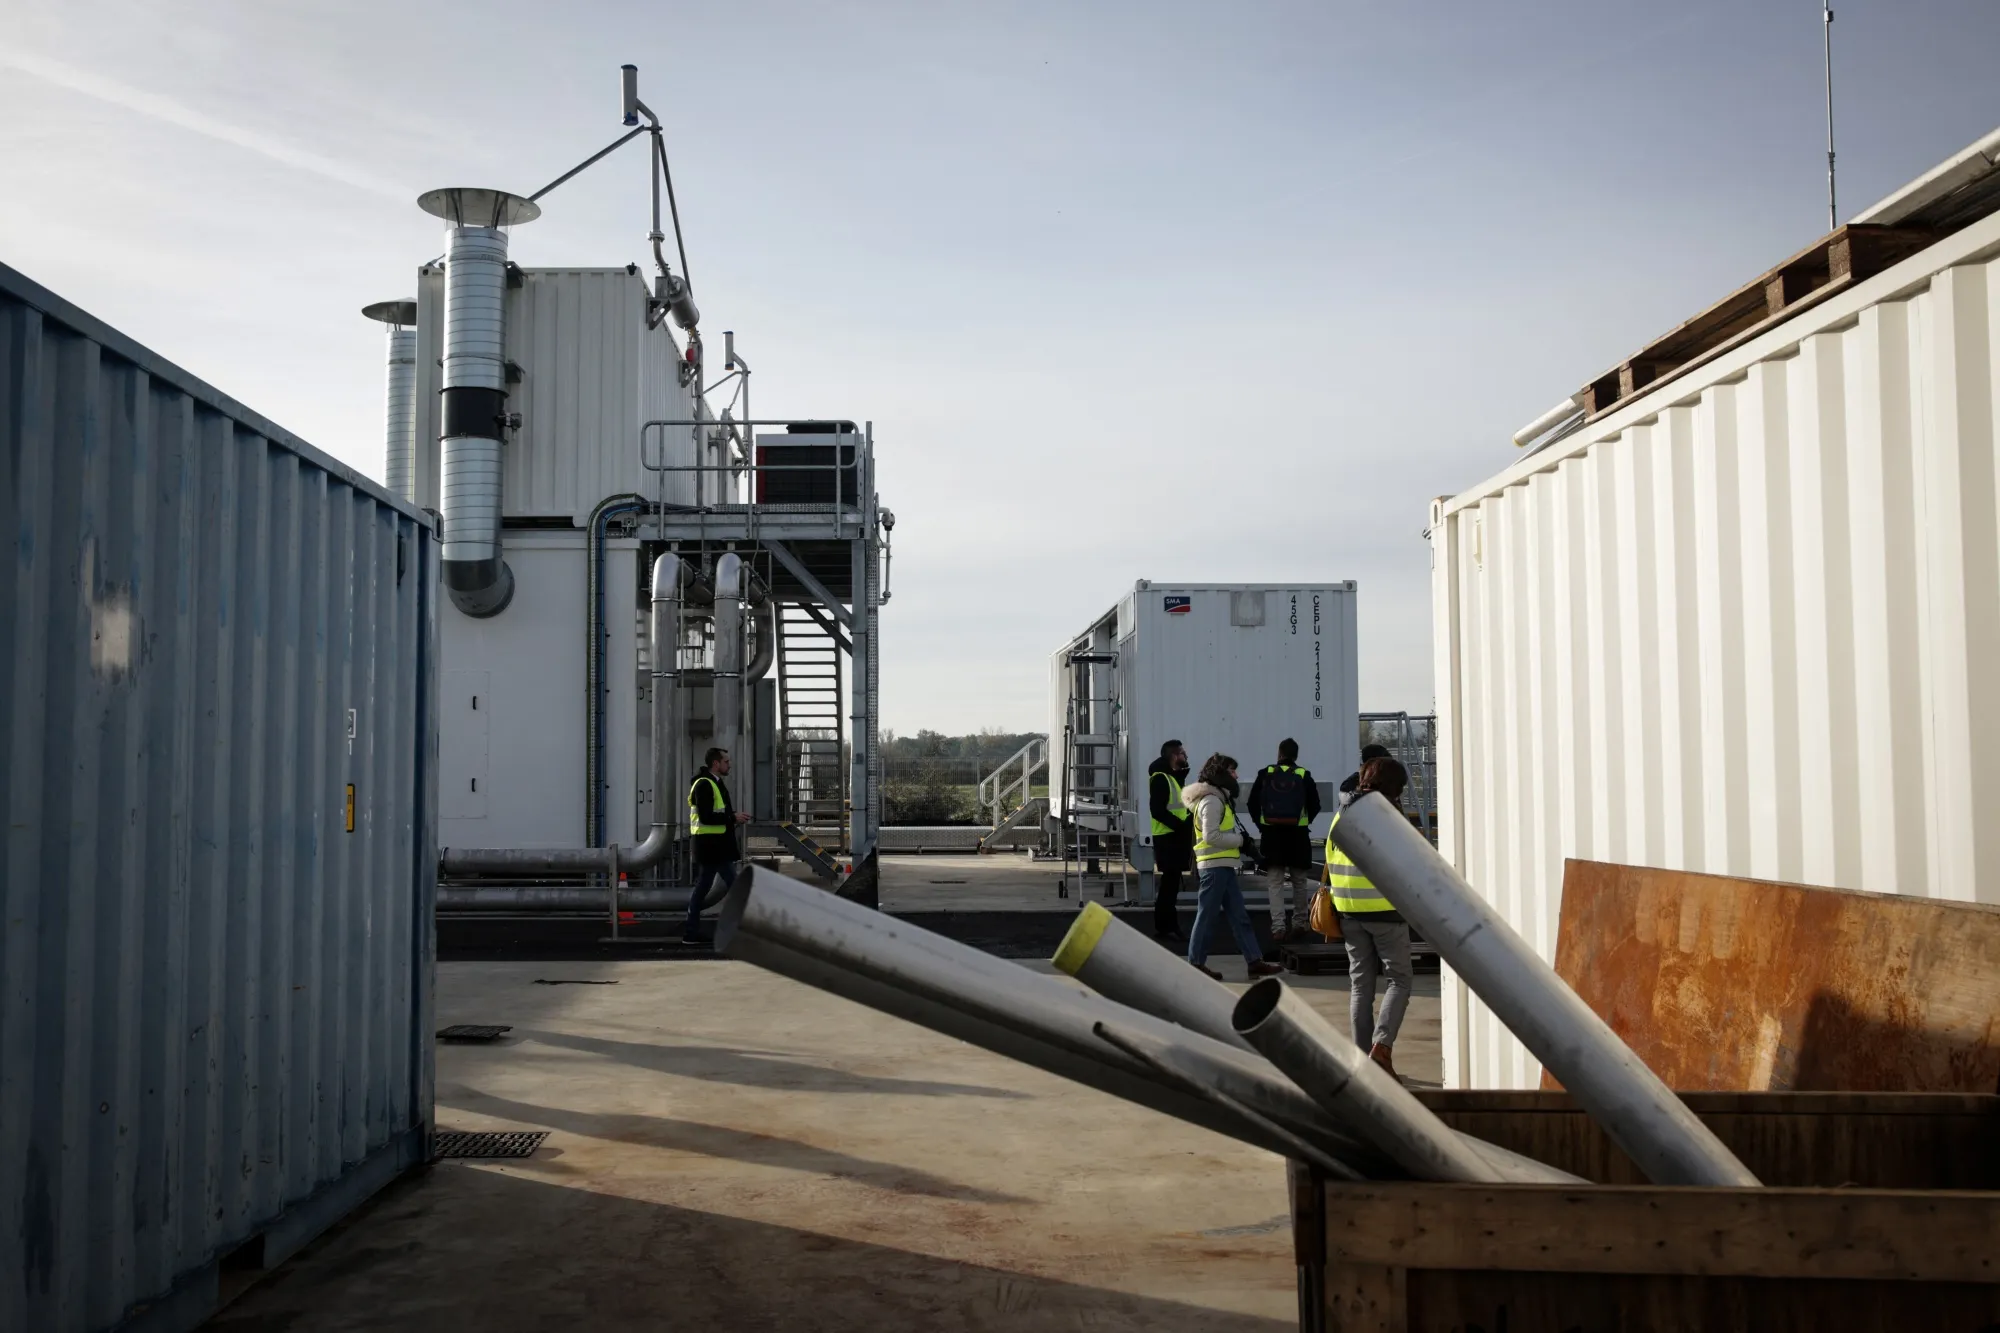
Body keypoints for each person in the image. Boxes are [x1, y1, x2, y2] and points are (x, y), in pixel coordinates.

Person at [1325, 755, 1413, 1075]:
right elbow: (1407, 861)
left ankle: (1363, 1061)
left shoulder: (1341, 813)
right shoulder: (1384, 815)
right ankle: (1382, 1047)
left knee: (1361, 986)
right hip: (1385, 909)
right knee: (1400, 979)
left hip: (1348, 911)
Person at [1182, 753, 1285, 981]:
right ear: (1220, 774)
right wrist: (1240, 841)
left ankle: (1254, 961)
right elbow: (1211, 836)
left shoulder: (1217, 798)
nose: (1236, 775)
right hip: (1214, 868)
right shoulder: (1211, 800)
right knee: (1207, 917)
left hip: (1223, 867)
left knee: (1240, 917)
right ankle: (1196, 963)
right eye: (1232, 771)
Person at [1247, 738, 1322, 940]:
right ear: (1296, 755)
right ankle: (1299, 923)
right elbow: (1316, 804)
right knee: (1299, 882)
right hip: (1298, 837)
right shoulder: (1303, 775)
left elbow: (1251, 803)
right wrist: (1303, 822)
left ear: (1279, 754)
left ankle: (1278, 926)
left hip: (1272, 837)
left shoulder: (1265, 774)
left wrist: (1262, 826)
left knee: (1275, 883)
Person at [683, 747, 752, 944]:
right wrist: (732, 817)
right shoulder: (704, 785)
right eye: (726, 762)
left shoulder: (714, 783)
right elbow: (706, 817)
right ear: (716, 764)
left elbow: (717, 813)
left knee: (704, 888)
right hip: (713, 847)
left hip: (714, 847)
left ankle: (691, 933)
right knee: (736, 887)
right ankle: (744, 931)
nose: (729, 765)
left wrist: (735, 817)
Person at [1147, 739, 1193, 942]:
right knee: (1169, 885)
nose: (1186, 756)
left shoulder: (1172, 777)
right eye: (1182, 753)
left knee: (1171, 884)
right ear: (1174, 756)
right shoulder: (1160, 778)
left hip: (1174, 837)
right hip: (1168, 838)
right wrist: (1180, 826)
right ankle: (1167, 925)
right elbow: (1157, 810)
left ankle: (1166, 925)